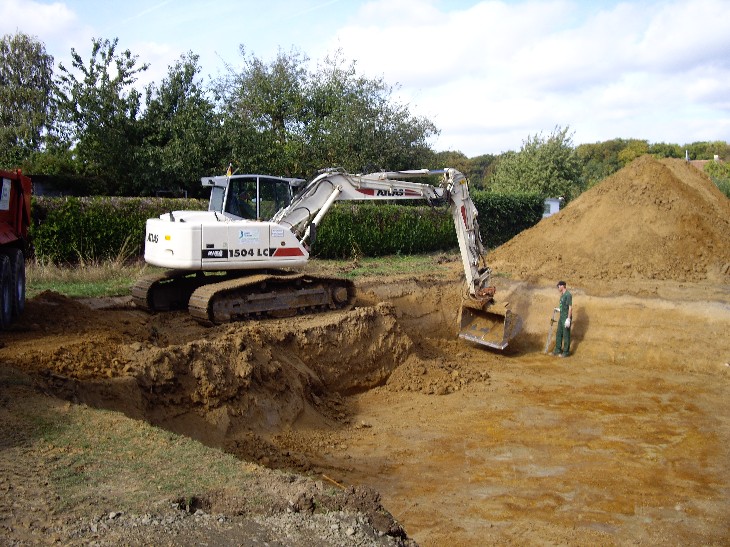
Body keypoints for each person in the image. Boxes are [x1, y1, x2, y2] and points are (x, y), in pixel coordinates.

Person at [553, 280, 573, 357]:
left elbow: (570, 308)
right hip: (561, 316)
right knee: (559, 333)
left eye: (558, 286)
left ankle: (566, 352)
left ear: (562, 286)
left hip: (566, 316)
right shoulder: (562, 295)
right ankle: (558, 349)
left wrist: (568, 319)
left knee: (566, 334)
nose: (558, 288)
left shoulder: (568, 295)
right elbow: (563, 306)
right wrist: (558, 309)